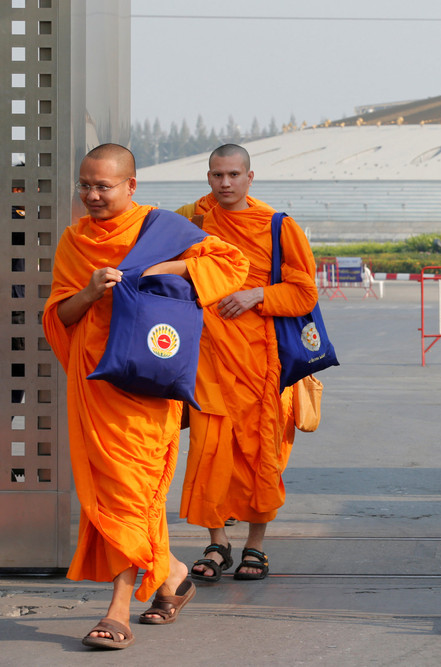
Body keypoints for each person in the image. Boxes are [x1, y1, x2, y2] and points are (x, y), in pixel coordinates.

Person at [42, 144, 248, 649]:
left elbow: (232, 264)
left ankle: (117, 610)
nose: (92, 195)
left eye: (103, 186)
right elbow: (58, 317)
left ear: (131, 186)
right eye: (85, 186)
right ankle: (173, 573)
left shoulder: (163, 233)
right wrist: (90, 293)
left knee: (132, 494)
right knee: (119, 497)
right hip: (95, 386)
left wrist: (169, 270)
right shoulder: (74, 241)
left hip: (147, 388)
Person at [180, 144, 318, 582]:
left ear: (250, 177)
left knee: (264, 451)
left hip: (264, 360)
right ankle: (217, 541)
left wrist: (258, 294)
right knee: (208, 450)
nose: (225, 183)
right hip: (208, 358)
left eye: (234, 175)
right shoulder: (193, 219)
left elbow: (304, 292)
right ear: (208, 177)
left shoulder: (278, 226)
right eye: (217, 175)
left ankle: (255, 546)